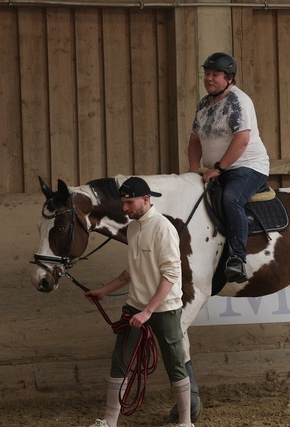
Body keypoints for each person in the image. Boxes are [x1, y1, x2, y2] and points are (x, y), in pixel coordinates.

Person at [85, 176, 193, 427]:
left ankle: (186, 423)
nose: (125, 208)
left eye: (129, 203)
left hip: (164, 308)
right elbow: (131, 271)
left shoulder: (163, 228)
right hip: (135, 305)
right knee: (120, 360)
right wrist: (104, 291)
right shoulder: (133, 228)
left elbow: (171, 275)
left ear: (146, 199)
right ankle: (109, 422)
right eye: (123, 202)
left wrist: (148, 311)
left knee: (175, 363)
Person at [188, 52, 270, 283]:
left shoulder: (238, 101)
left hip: (247, 166)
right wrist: (193, 167)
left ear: (229, 78)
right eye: (207, 73)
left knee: (231, 199)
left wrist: (219, 168)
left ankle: (237, 258)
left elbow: (242, 139)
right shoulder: (204, 103)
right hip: (215, 169)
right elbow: (195, 139)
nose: (208, 78)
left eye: (215, 74)